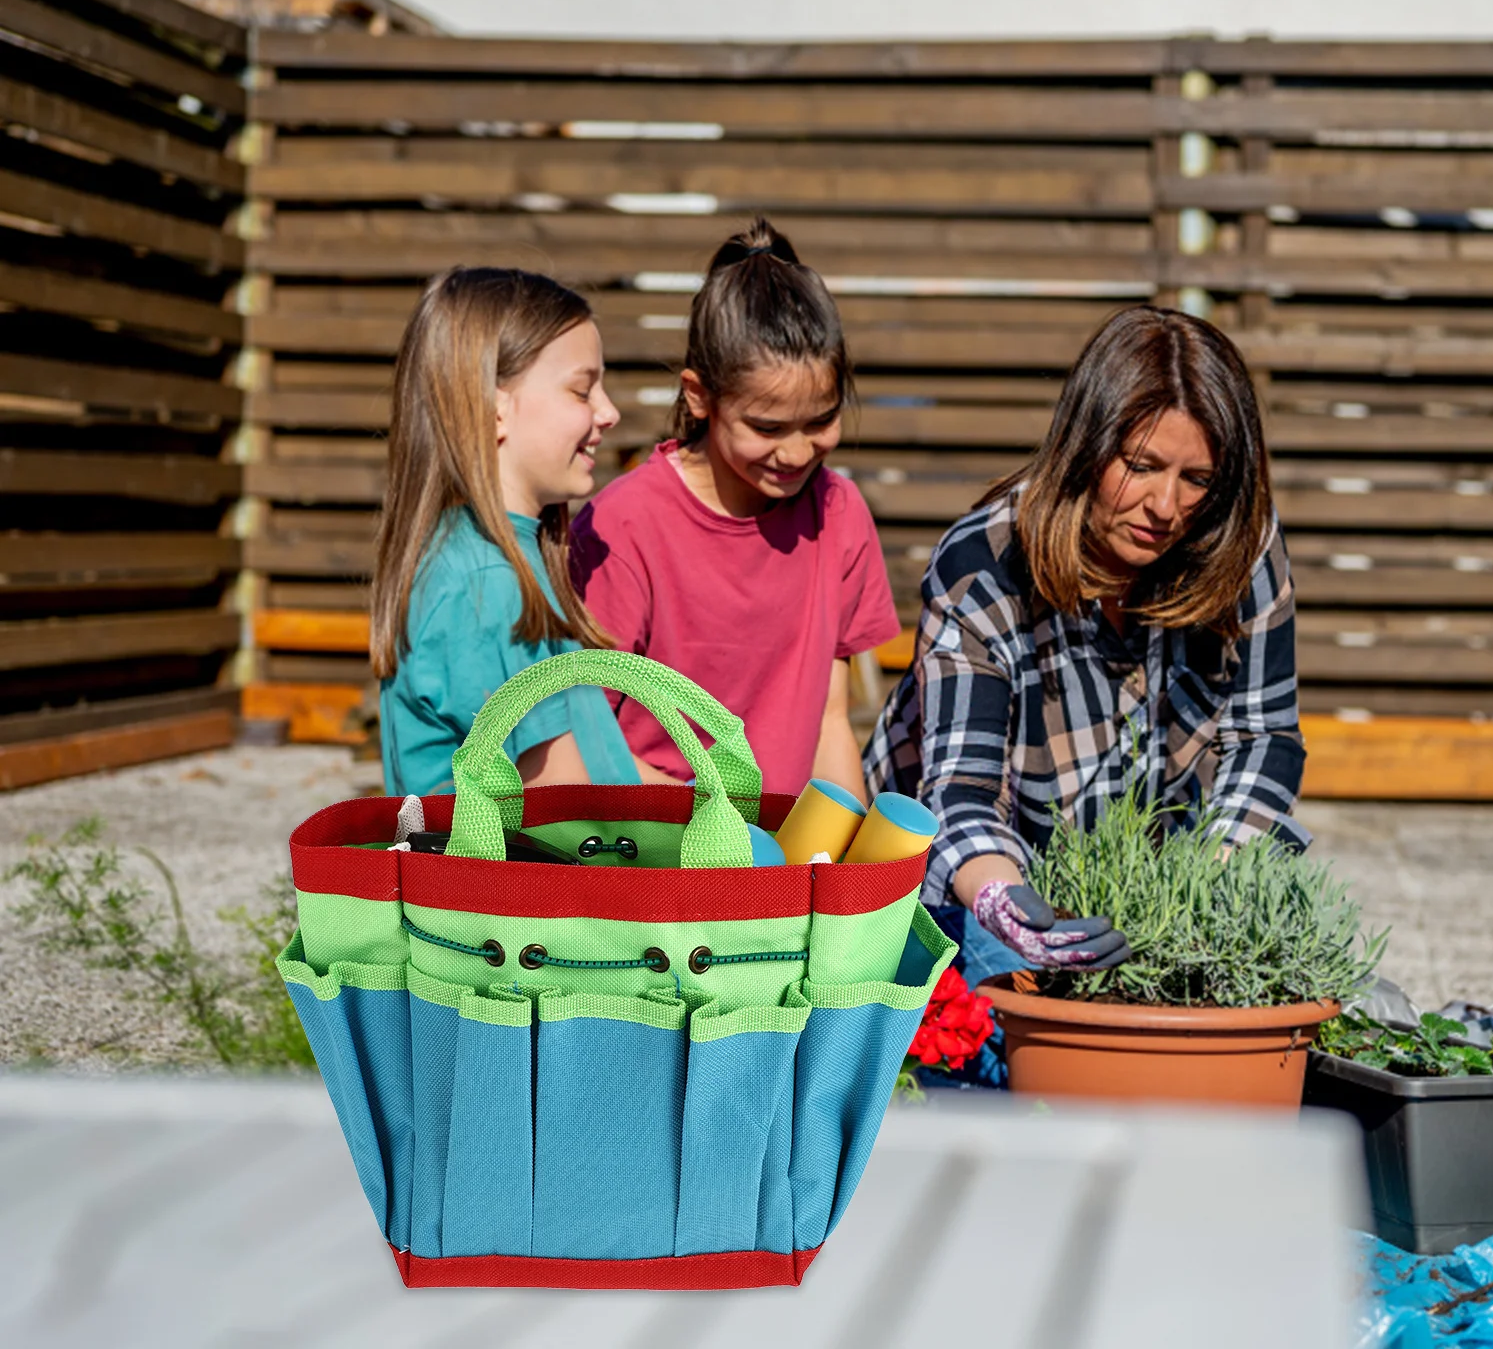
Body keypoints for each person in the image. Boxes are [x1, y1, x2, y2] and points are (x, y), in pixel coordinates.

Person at [865, 305, 1309, 994]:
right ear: (1085, 447)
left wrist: (1208, 883)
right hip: (963, 876)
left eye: (1197, 480)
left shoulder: (1237, 543)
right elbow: (958, 799)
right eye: (1141, 467)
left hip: (1145, 870)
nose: (1165, 506)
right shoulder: (984, 566)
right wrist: (1008, 909)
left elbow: (1265, 735)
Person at [572, 219, 900, 801]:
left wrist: (848, 869)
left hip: (779, 861)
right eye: (767, 427)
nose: (798, 452)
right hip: (651, 852)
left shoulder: (840, 513)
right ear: (699, 397)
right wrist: (714, 834)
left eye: (821, 421)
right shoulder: (623, 527)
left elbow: (829, 723)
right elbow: (587, 740)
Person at [371, 266, 667, 796]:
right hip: (516, 878)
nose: (609, 412)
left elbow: (601, 765)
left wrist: (718, 809)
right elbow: (563, 800)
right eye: (583, 391)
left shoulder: (508, 564)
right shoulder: (486, 586)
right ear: (495, 407)